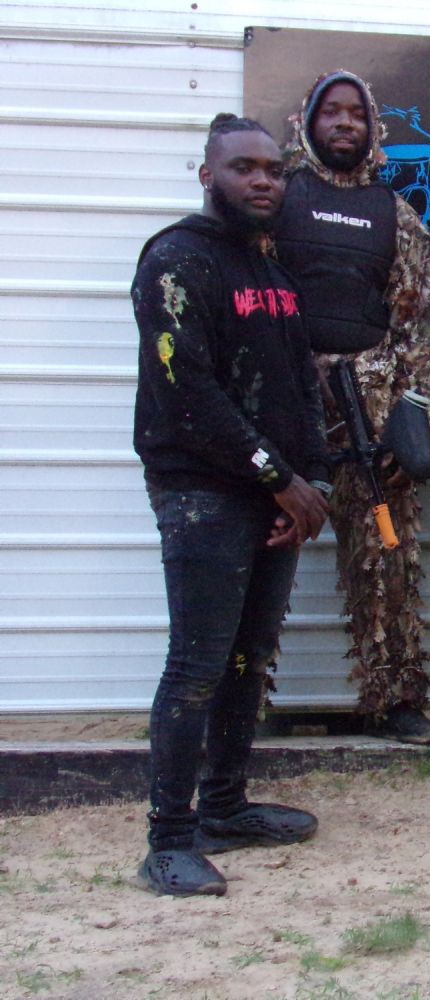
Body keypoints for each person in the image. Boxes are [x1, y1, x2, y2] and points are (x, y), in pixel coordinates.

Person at [131, 114, 329, 896]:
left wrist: (309, 484)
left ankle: (224, 809)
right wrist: (278, 477)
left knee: (250, 658)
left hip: (273, 496)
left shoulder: (269, 267)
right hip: (202, 492)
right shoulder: (176, 259)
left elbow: (301, 382)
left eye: (273, 169)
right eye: (244, 167)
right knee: (198, 665)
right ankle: (167, 841)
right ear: (207, 175)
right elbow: (187, 393)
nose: (262, 180)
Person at [275, 70, 430, 744]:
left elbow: (424, 324)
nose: (345, 122)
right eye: (332, 112)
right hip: (286, 402)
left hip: (370, 405)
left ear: (373, 127)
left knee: (386, 556)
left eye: (356, 113)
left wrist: (414, 419)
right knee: (259, 547)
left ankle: (396, 700)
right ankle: (232, 697)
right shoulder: (277, 199)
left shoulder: (395, 214)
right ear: (309, 122)